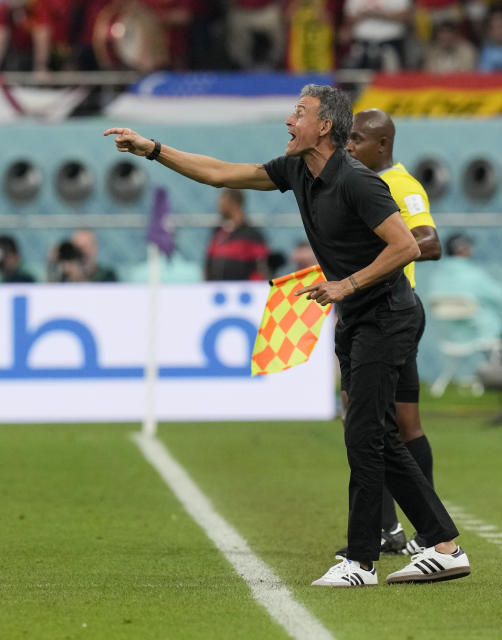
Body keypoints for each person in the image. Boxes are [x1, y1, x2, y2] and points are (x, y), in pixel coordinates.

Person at [104, 83, 470, 588]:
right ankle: (442, 545)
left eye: (299, 112)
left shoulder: (360, 182)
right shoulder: (298, 170)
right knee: (375, 435)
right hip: (360, 316)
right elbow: (220, 174)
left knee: (366, 435)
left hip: (388, 314)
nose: (287, 121)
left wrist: (347, 283)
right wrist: (155, 150)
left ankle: (362, 561)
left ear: (325, 127)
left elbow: (408, 246)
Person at [345, 107, 442, 554]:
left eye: (357, 139)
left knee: (379, 425)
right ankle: (399, 530)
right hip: (373, 311)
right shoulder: (360, 183)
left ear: (382, 144)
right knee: (393, 423)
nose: (349, 146)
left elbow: (430, 242)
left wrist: (374, 264)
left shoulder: (401, 185)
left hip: (392, 315)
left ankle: (406, 530)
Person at [429, 232, 502, 366]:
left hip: (450, 336)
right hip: (481, 331)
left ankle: (497, 370)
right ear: (462, 249)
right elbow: (500, 296)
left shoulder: (437, 276)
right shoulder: (473, 274)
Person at [204, 189, 270, 281]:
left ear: (234, 204)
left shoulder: (252, 234)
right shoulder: (217, 232)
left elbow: (261, 267)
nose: (218, 207)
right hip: (217, 290)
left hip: (244, 291)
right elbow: (208, 262)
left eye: (222, 203)